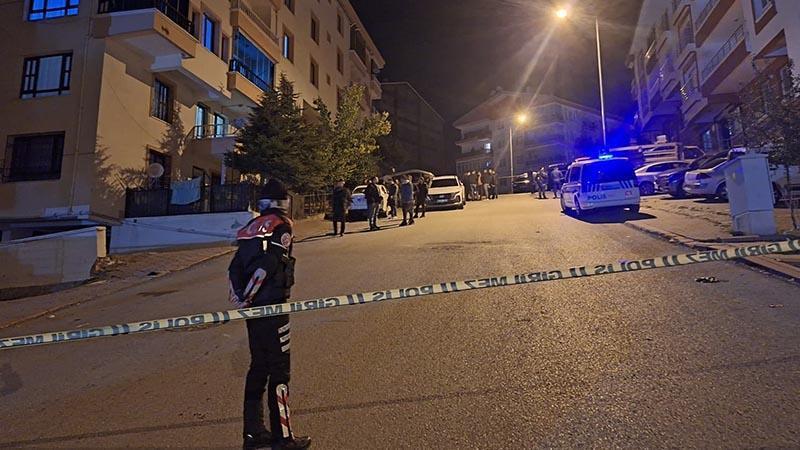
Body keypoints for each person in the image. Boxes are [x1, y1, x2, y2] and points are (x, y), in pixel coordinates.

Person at [228, 179, 311, 450]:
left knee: (258, 367)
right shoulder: (281, 226)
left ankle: (253, 434)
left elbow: (233, 269)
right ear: (282, 202)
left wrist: (242, 297)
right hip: (274, 307)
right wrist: (252, 294)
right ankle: (283, 437)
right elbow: (270, 263)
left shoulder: (249, 228)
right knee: (279, 370)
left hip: (253, 310)